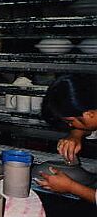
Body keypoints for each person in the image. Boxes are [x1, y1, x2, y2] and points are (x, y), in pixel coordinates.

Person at [36, 74, 97, 204]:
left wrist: (71, 187)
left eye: (70, 121)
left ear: (89, 114)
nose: (70, 126)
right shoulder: (91, 110)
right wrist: (75, 135)